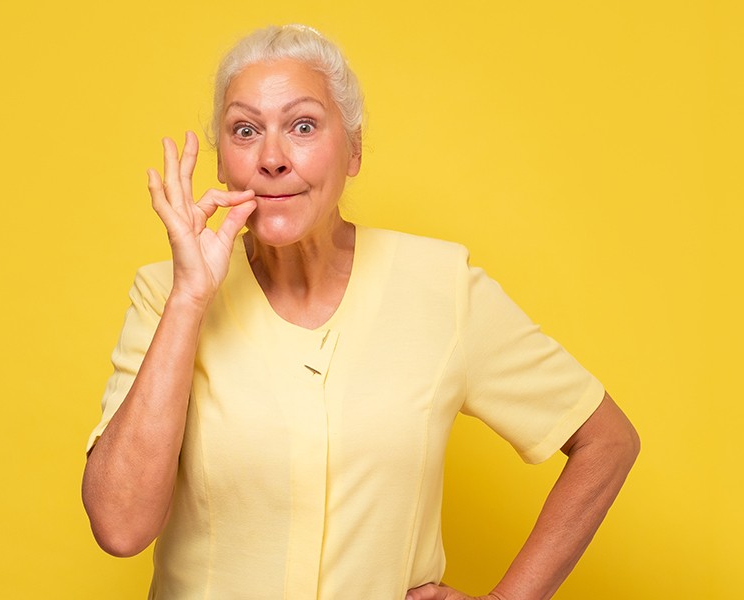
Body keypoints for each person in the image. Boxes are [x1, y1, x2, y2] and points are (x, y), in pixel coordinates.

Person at [81, 24, 639, 600]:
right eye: (245, 130)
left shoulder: (442, 286)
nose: (272, 158)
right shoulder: (166, 295)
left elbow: (607, 441)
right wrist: (190, 299)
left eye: (302, 126)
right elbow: (120, 527)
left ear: (354, 149)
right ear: (222, 163)